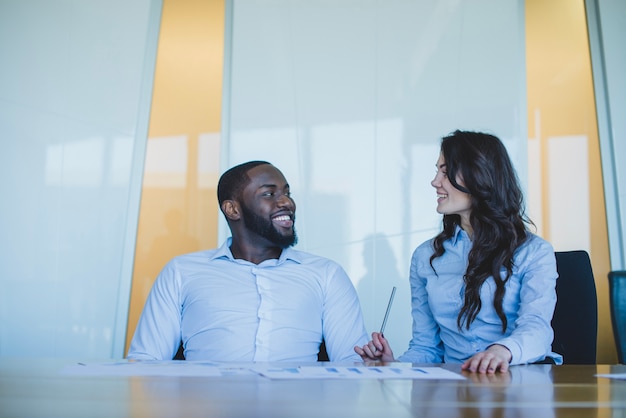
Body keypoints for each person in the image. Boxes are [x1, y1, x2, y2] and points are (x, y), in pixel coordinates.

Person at [355, 130, 562, 373]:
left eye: (445, 171)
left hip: (516, 380)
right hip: (454, 386)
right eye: (437, 171)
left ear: (479, 175)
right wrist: (395, 365)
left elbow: (537, 328)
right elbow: (427, 347)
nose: (435, 181)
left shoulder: (534, 252)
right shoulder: (425, 258)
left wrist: (500, 351)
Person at [128, 160, 368, 362]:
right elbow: (146, 362)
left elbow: (352, 363)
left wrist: (376, 363)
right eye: (269, 194)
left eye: (287, 193)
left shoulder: (326, 274)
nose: (286, 202)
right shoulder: (181, 272)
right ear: (232, 209)